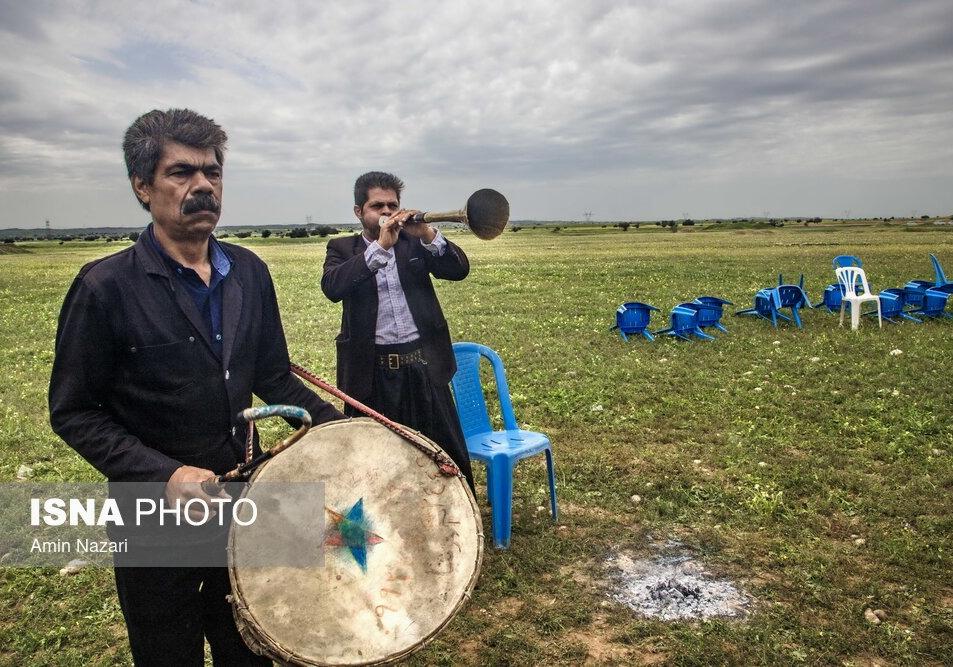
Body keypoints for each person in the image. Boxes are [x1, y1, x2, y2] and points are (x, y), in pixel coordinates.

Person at [49, 108, 343, 666]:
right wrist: (165, 474)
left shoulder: (250, 272)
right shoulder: (104, 287)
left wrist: (345, 428)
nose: (203, 185)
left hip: (244, 501)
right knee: (167, 653)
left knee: (251, 647)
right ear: (142, 186)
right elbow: (74, 412)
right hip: (153, 518)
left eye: (213, 172)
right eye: (181, 172)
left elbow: (273, 375)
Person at [321, 171, 474, 489]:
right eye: (377, 206)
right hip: (372, 375)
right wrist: (380, 247)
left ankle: (458, 515)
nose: (387, 212)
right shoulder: (342, 248)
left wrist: (428, 234)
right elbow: (332, 287)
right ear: (359, 211)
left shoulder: (414, 242)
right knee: (375, 463)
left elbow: (458, 269)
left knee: (446, 454)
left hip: (425, 368)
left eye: (393, 205)